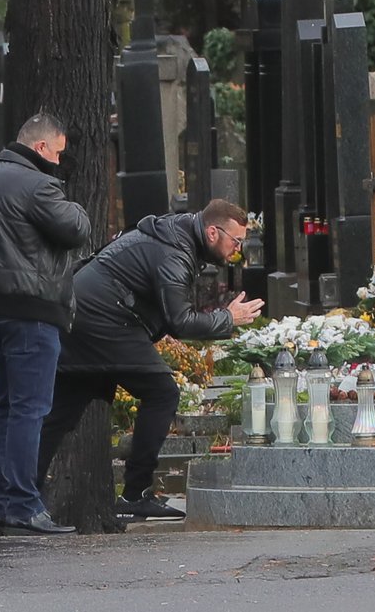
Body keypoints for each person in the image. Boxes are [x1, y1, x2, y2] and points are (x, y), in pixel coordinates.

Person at [37, 199, 264, 520]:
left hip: (85, 316)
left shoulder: (178, 237)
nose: (237, 250)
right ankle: (135, 493)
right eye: (236, 241)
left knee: (63, 411)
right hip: (103, 319)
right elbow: (180, 321)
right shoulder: (175, 252)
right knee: (162, 392)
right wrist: (227, 318)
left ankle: (19, 497)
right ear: (213, 232)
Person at [0, 113, 92, 536]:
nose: (59, 160)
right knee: (31, 409)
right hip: (31, 309)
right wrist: (64, 189)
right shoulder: (39, 185)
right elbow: (75, 229)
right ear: (40, 148)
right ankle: (22, 505)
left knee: (7, 405)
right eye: (57, 152)